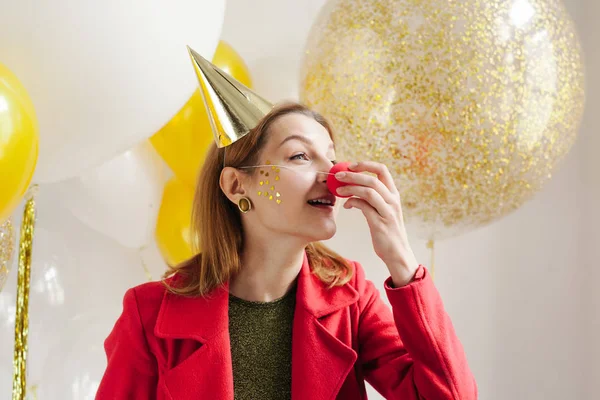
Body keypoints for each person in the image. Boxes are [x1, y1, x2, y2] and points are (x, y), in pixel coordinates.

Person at [96, 48, 477, 400]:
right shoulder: (149, 314)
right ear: (236, 185)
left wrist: (402, 261)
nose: (333, 175)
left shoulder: (352, 301)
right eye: (299, 156)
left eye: (330, 157)